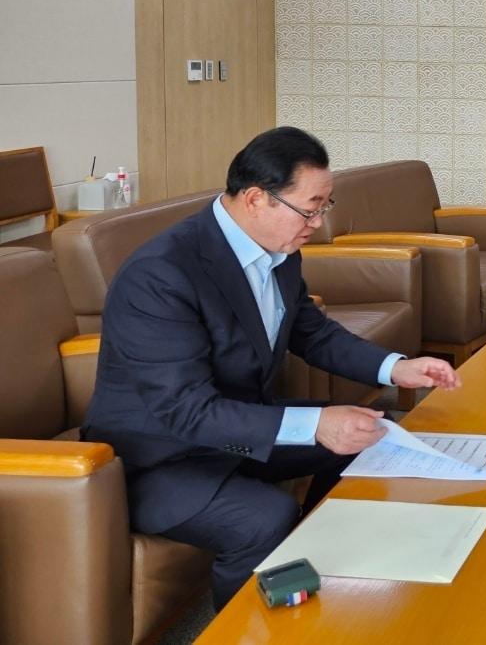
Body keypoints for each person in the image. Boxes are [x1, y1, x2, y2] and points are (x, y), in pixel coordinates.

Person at [83, 127, 461, 609]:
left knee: (372, 438)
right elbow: (186, 411)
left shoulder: (278, 252)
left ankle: (325, 569)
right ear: (257, 198)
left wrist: (396, 368)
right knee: (264, 517)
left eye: (326, 206)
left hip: (241, 425)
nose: (319, 224)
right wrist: (317, 424)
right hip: (160, 456)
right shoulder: (161, 275)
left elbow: (313, 332)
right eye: (311, 208)